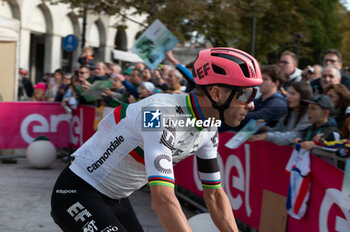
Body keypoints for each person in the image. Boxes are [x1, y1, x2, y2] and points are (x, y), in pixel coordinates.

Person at [50, 47, 262, 232]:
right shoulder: (158, 113)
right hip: (77, 192)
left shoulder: (209, 126)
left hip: (117, 198)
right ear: (216, 93)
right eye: (245, 95)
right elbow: (162, 199)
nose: (251, 104)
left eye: (255, 94)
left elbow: (214, 194)